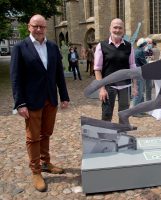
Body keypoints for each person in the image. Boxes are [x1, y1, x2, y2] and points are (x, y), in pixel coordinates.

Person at [10, 14, 70, 192]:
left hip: (50, 98)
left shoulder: (52, 46)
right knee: (33, 136)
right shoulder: (21, 47)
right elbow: (15, 77)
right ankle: (36, 170)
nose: (38, 29)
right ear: (29, 26)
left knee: (46, 133)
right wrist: (20, 103)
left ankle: (45, 162)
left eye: (42, 27)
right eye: (35, 26)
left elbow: (59, 73)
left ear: (45, 28)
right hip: (31, 101)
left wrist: (64, 96)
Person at [93, 18, 137, 122]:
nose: (117, 30)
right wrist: (101, 89)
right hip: (108, 87)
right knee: (107, 114)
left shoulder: (129, 46)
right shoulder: (102, 46)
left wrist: (135, 85)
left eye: (120, 28)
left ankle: (122, 136)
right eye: (115, 27)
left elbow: (132, 66)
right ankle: (106, 138)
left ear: (123, 30)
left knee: (124, 115)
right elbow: (97, 69)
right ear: (110, 29)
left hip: (125, 86)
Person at [133, 38, 148, 106]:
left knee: (141, 92)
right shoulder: (140, 52)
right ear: (144, 45)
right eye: (146, 44)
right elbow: (145, 63)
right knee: (139, 92)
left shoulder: (136, 50)